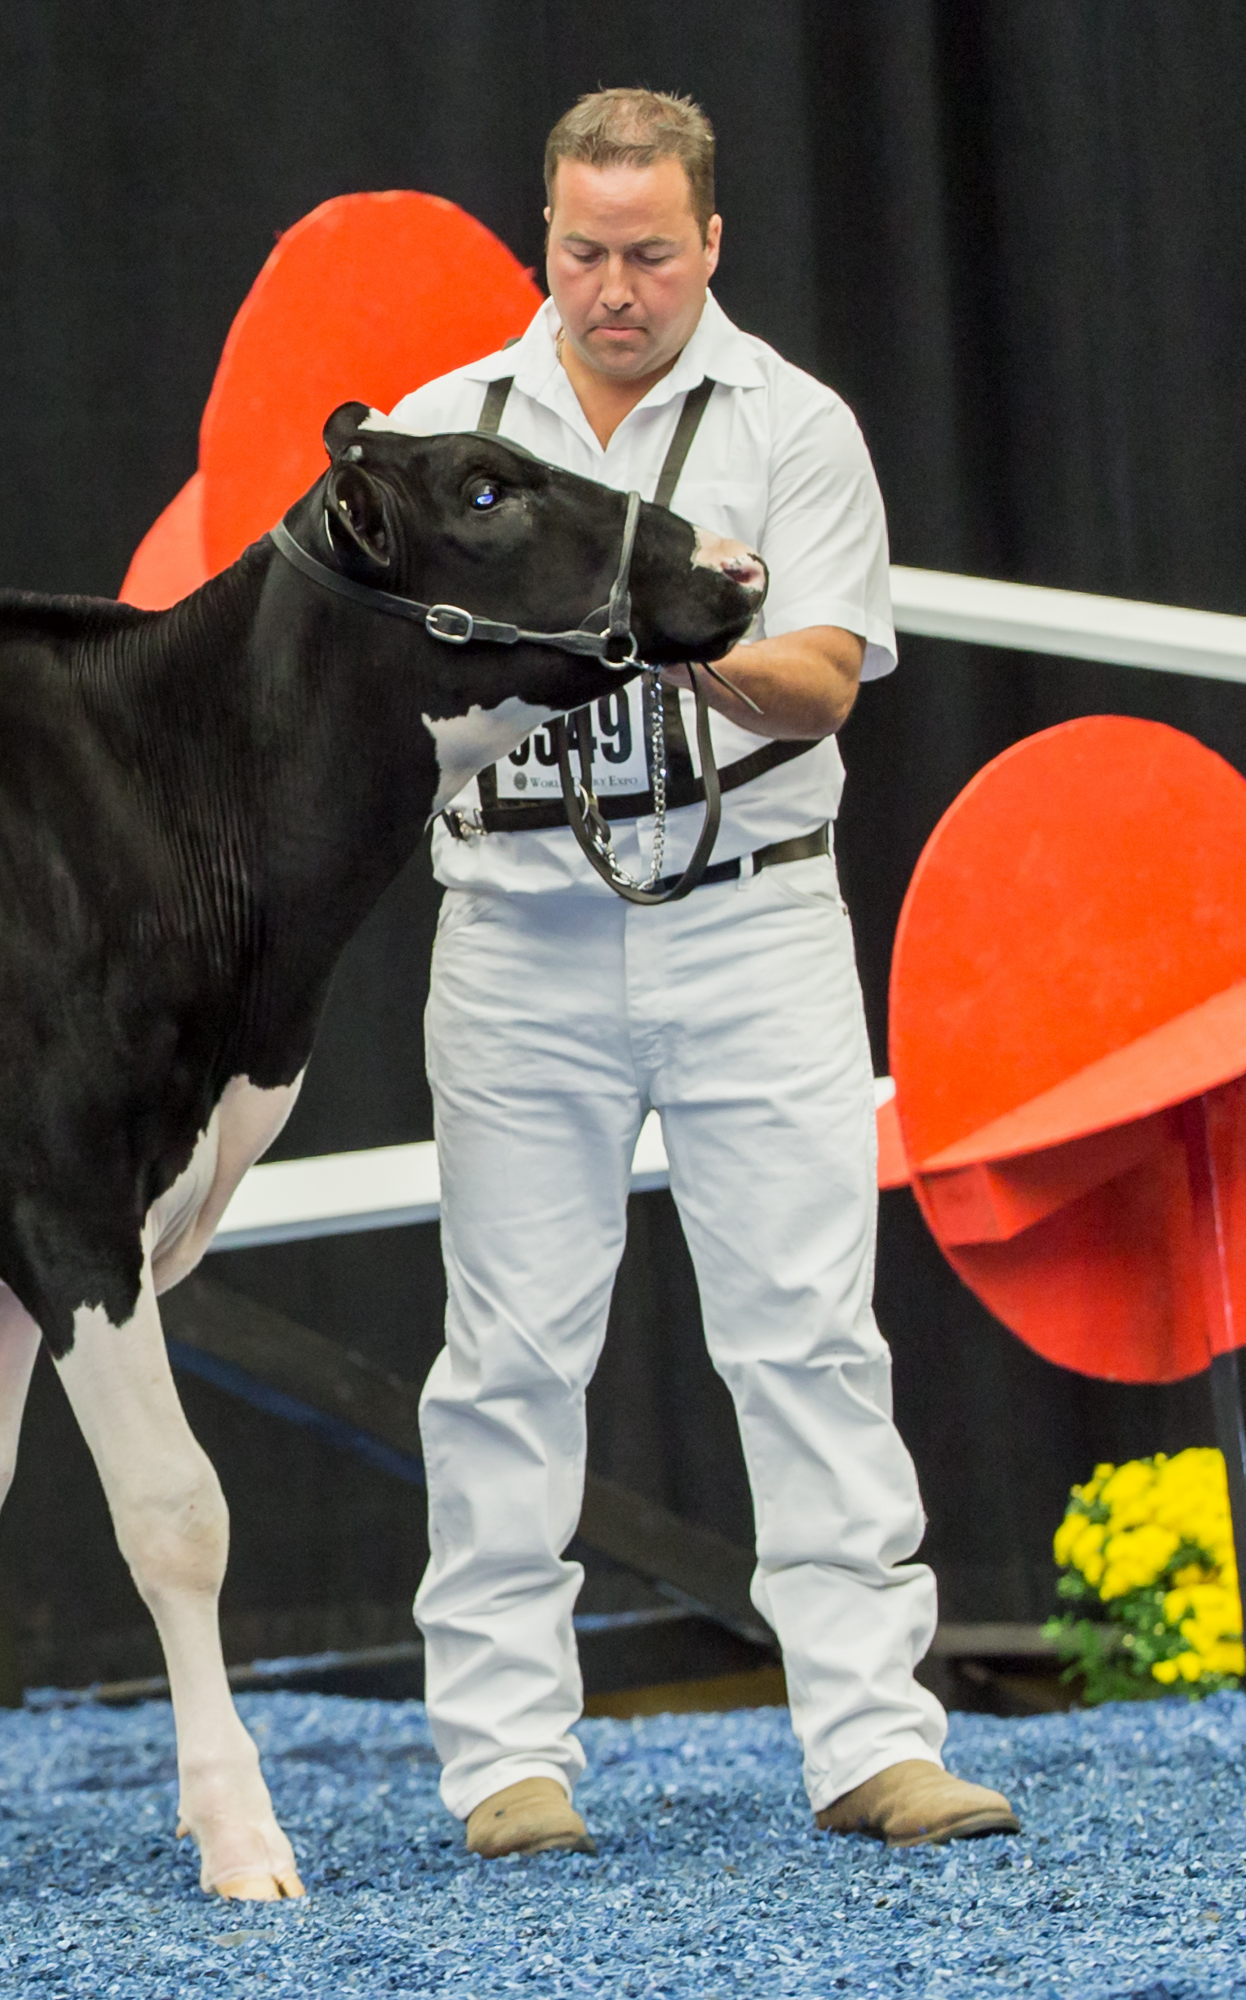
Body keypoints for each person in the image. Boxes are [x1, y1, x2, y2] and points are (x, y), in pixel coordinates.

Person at [387, 87, 1019, 1858]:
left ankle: (873, 1740)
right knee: (507, 1350)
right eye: (584, 251)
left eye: (651, 253)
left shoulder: (792, 424)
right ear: (544, 237)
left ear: (712, 243)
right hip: (516, 920)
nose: (615, 288)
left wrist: (675, 625)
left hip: (753, 918)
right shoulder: (445, 432)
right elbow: (358, 681)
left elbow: (823, 680)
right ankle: (505, 1759)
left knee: (807, 1331)